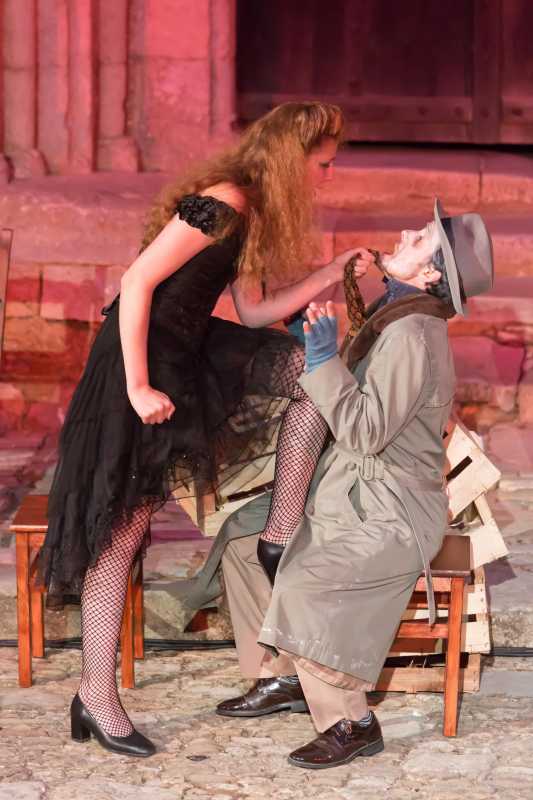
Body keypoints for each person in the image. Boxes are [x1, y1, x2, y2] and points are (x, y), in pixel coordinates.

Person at [37, 101, 375, 758]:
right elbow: (136, 282)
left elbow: (255, 311)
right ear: (292, 158)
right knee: (121, 534)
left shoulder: (253, 214)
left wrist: (332, 271)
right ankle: (94, 696)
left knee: (308, 368)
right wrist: (138, 386)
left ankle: (278, 533)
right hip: (139, 358)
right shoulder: (221, 202)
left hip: (189, 351)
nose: (327, 177)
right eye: (323, 164)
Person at [215, 200, 494, 769]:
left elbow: (365, 432)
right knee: (243, 545)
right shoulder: (396, 313)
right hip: (351, 491)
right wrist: (320, 348)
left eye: (421, 237)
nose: (406, 232)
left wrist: (321, 359)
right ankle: (286, 676)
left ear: (430, 273)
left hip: (390, 511)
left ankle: (353, 723)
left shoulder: (413, 333)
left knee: (307, 579)